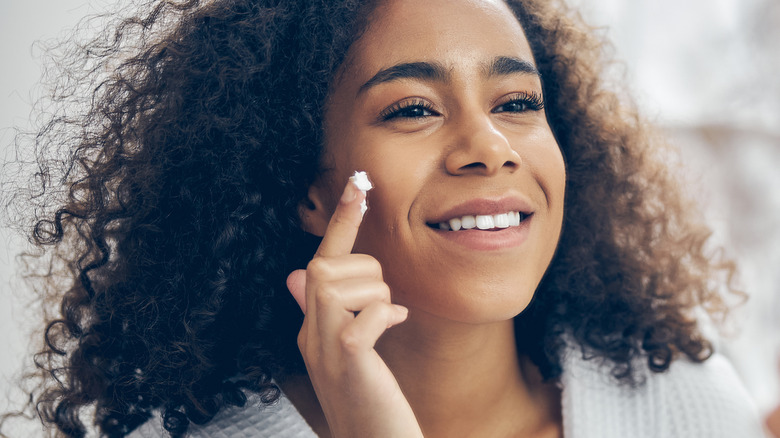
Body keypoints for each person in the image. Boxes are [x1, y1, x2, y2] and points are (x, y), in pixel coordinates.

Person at [0, 0, 767, 437]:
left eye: (517, 103)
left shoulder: (684, 403)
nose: (489, 147)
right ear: (303, 187)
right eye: (412, 109)